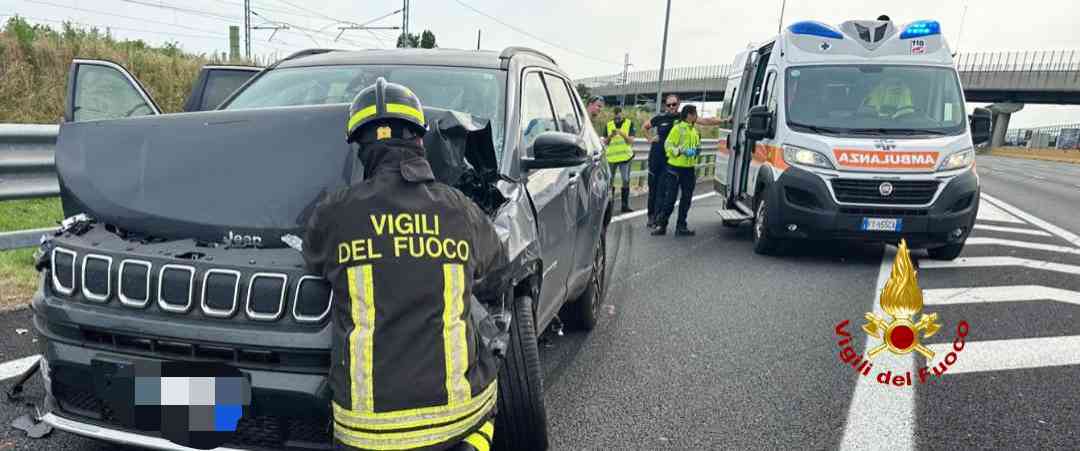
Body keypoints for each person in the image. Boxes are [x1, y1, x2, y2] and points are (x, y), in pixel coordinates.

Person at [303, 78, 508, 451]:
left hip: (364, 431)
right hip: (456, 420)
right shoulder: (460, 209)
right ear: (419, 140)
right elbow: (497, 278)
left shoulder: (334, 213)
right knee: (492, 370)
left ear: (361, 148)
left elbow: (314, 258)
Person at [652, 104, 701, 237]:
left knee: (686, 199)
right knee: (670, 199)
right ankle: (661, 225)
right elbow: (668, 145)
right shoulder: (677, 129)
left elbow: (695, 147)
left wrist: (696, 151)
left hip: (689, 170)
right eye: (695, 114)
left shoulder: (694, 131)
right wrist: (680, 151)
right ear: (689, 115)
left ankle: (681, 227)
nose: (696, 116)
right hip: (675, 169)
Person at [643, 94, 681, 228]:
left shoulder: (682, 118)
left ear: (678, 104)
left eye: (674, 104)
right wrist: (650, 139)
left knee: (662, 189)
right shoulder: (660, 117)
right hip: (655, 157)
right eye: (669, 105)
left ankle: (658, 217)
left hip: (669, 159)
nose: (671, 107)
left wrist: (725, 119)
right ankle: (650, 216)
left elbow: (703, 120)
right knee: (652, 188)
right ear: (666, 106)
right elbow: (645, 127)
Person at [606, 107, 636, 213]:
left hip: (625, 158)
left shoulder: (629, 123)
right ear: (613, 114)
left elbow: (631, 141)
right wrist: (610, 136)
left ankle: (624, 205)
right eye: (616, 114)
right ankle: (609, 205)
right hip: (611, 158)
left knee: (626, 180)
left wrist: (623, 134)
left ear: (622, 114)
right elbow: (606, 142)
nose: (617, 116)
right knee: (610, 182)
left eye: (619, 114)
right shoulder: (609, 124)